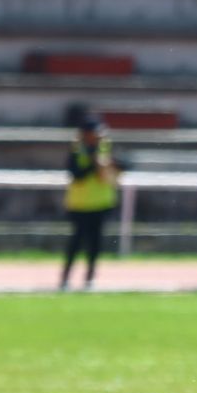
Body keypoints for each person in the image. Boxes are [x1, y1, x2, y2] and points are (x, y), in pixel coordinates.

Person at [60, 117, 119, 291]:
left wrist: (110, 164)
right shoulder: (78, 150)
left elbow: (124, 164)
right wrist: (94, 164)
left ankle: (90, 278)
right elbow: (76, 174)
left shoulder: (106, 147)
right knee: (76, 242)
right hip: (80, 203)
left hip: (101, 202)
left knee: (95, 243)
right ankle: (65, 278)